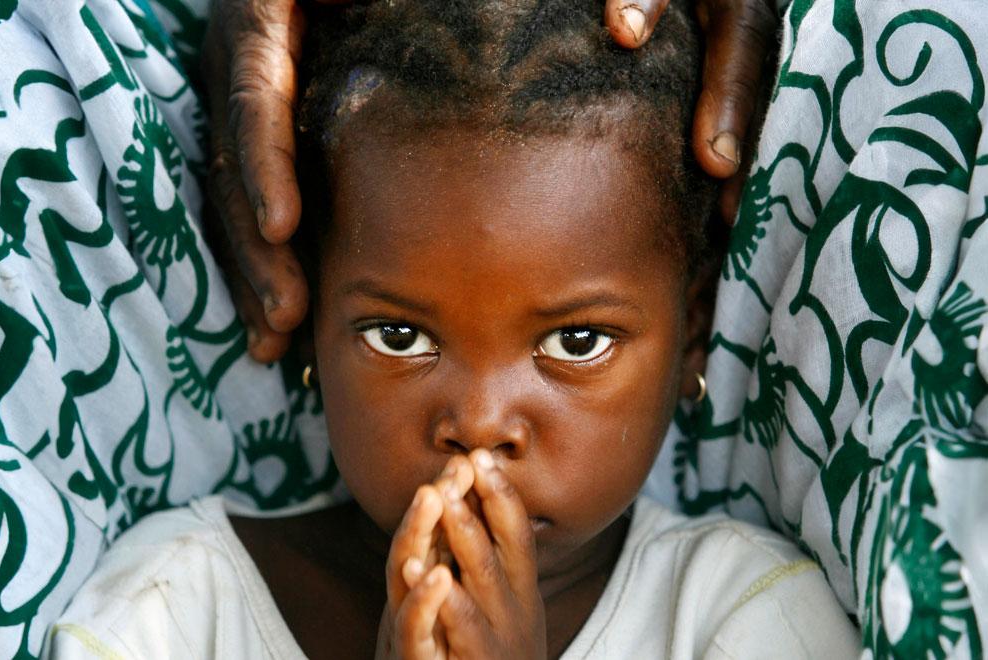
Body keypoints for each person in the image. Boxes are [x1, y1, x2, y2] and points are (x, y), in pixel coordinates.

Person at [44, 1, 860, 657]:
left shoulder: (750, 620)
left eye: (576, 343)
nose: (476, 421)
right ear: (305, 322)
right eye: (399, 338)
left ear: (692, 333)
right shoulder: (167, 614)